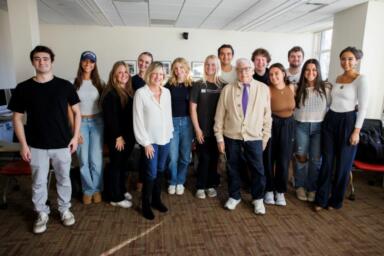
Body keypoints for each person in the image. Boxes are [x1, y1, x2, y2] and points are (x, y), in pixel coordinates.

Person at [8, 45, 81, 234]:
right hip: (36, 145)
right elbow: (16, 118)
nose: (42, 62)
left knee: (64, 179)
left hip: (62, 144)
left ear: (52, 61)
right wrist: (23, 145)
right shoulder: (23, 88)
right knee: (38, 182)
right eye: (38, 59)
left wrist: (74, 137)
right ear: (33, 62)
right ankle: (42, 213)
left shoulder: (65, 85)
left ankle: (65, 210)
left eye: (45, 58)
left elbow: (77, 112)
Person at [214, 58, 272, 215]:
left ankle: (258, 199)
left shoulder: (263, 88)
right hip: (231, 137)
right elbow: (219, 116)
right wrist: (219, 137)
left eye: (247, 69)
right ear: (236, 72)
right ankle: (234, 196)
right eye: (240, 69)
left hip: (255, 138)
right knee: (233, 168)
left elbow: (267, 117)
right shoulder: (227, 90)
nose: (243, 72)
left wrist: (265, 137)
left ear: (252, 70)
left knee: (258, 170)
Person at [315, 47, 368, 211]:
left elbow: (364, 108)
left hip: (348, 121)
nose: (346, 62)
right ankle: (321, 199)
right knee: (326, 162)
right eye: (343, 59)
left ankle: (335, 201)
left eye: (350, 59)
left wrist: (356, 131)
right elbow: (330, 102)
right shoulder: (337, 78)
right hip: (331, 119)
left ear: (357, 60)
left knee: (343, 165)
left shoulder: (361, 79)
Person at [133, 61, 173, 220]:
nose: (158, 76)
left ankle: (156, 200)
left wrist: (170, 134)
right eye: (155, 73)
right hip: (150, 142)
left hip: (165, 139)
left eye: (161, 74)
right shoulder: (141, 93)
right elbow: (138, 120)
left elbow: (168, 116)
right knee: (150, 172)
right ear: (149, 73)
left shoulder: (167, 92)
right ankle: (145, 204)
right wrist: (145, 143)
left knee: (161, 170)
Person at [294, 59, 331, 202]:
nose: (311, 73)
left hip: (319, 128)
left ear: (318, 71)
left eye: (314, 70)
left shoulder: (326, 88)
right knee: (301, 158)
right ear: (303, 72)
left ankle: (312, 188)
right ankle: (300, 186)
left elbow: (331, 107)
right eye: (308, 70)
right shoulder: (297, 88)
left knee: (316, 160)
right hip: (301, 127)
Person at [190, 55, 226, 199]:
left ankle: (210, 185)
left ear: (217, 66)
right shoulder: (198, 84)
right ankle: (200, 186)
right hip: (202, 130)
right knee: (203, 158)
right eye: (207, 64)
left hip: (218, 131)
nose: (210, 67)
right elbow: (192, 109)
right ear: (204, 66)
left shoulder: (223, 86)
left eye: (213, 65)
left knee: (214, 158)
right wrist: (197, 129)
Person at [101, 61, 135, 209]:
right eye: (120, 72)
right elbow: (111, 119)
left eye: (126, 72)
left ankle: (120, 190)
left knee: (122, 165)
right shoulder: (110, 93)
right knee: (116, 165)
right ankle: (115, 197)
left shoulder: (128, 91)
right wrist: (118, 137)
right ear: (114, 75)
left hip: (128, 136)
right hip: (117, 137)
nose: (123, 75)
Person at [72, 51, 104, 205]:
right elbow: (69, 110)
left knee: (96, 160)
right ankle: (88, 190)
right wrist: (75, 131)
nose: (88, 64)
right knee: (83, 160)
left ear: (95, 65)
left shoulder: (99, 83)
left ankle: (97, 189)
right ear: (80, 62)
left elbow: (104, 107)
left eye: (91, 62)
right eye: (85, 61)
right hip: (81, 124)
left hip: (97, 123)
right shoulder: (74, 84)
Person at [264, 63, 295, 207]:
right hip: (272, 123)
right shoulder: (267, 90)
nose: (274, 76)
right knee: (269, 158)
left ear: (283, 73)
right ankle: (269, 189)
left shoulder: (291, 88)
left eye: (277, 73)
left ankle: (280, 191)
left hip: (288, 125)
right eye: (271, 74)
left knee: (284, 159)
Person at [164, 58, 194, 196]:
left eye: (181, 68)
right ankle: (172, 181)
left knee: (185, 156)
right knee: (172, 157)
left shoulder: (192, 86)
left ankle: (180, 181)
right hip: (172, 122)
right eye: (175, 68)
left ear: (186, 69)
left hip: (188, 123)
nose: (178, 71)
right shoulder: (168, 86)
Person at [131, 52, 153, 192]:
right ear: (138, 61)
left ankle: (150, 178)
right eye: (141, 61)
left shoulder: (154, 79)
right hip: (138, 119)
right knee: (141, 152)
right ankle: (141, 179)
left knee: (150, 152)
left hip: (151, 121)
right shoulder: (132, 80)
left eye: (147, 62)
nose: (143, 64)